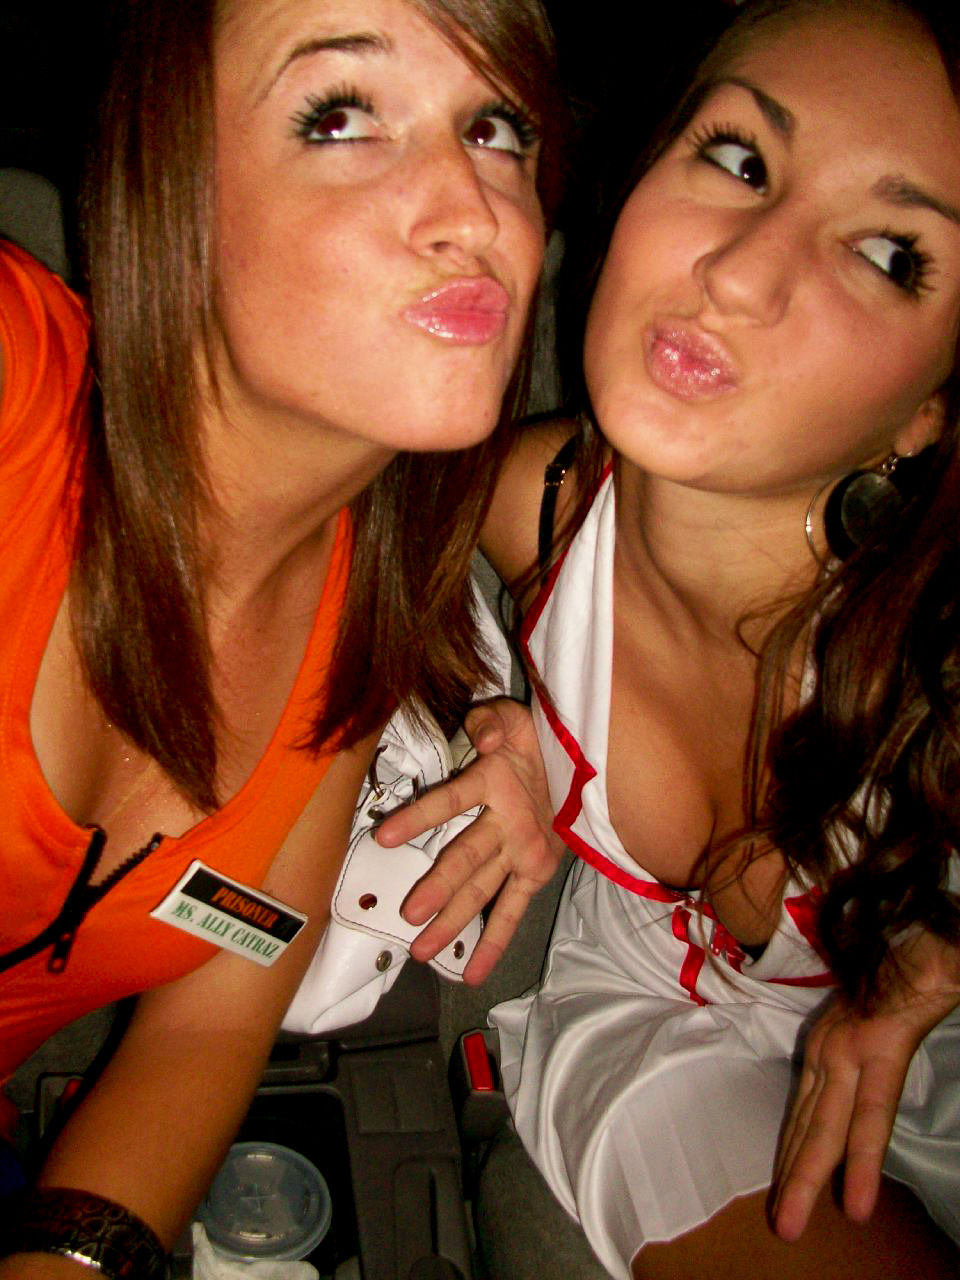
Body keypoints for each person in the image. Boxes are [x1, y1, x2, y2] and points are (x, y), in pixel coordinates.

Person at [378, 1, 960, 1275]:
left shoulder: (938, 624)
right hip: (656, 1018)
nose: (740, 272)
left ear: (930, 409)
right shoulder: (526, 504)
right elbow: (320, 544)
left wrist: (933, 964)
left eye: (887, 251)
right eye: (739, 158)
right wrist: (481, 716)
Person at [0, 0, 563, 1273]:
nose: (474, 209)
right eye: (342, 116)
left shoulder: (354, 637)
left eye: (496, 129)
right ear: (173, 195)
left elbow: (204, 1031)